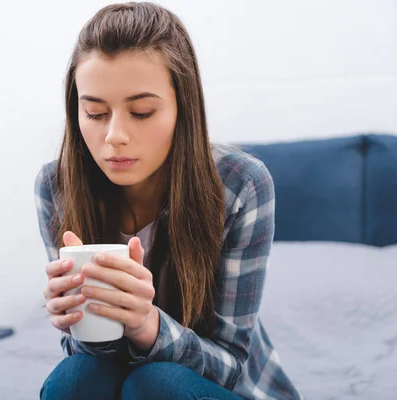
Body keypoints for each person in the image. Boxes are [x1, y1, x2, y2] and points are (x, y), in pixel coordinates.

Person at [34, 2, 301, 399]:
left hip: (226, 389)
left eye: (141, 112)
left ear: (183, 108)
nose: (114, 136)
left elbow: (229, 365)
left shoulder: (241, 185)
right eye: (94, 113)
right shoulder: (56, 186)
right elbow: (93, 364)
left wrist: (148, 326)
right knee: (75, 376)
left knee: (156, 384)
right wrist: (82, 321)